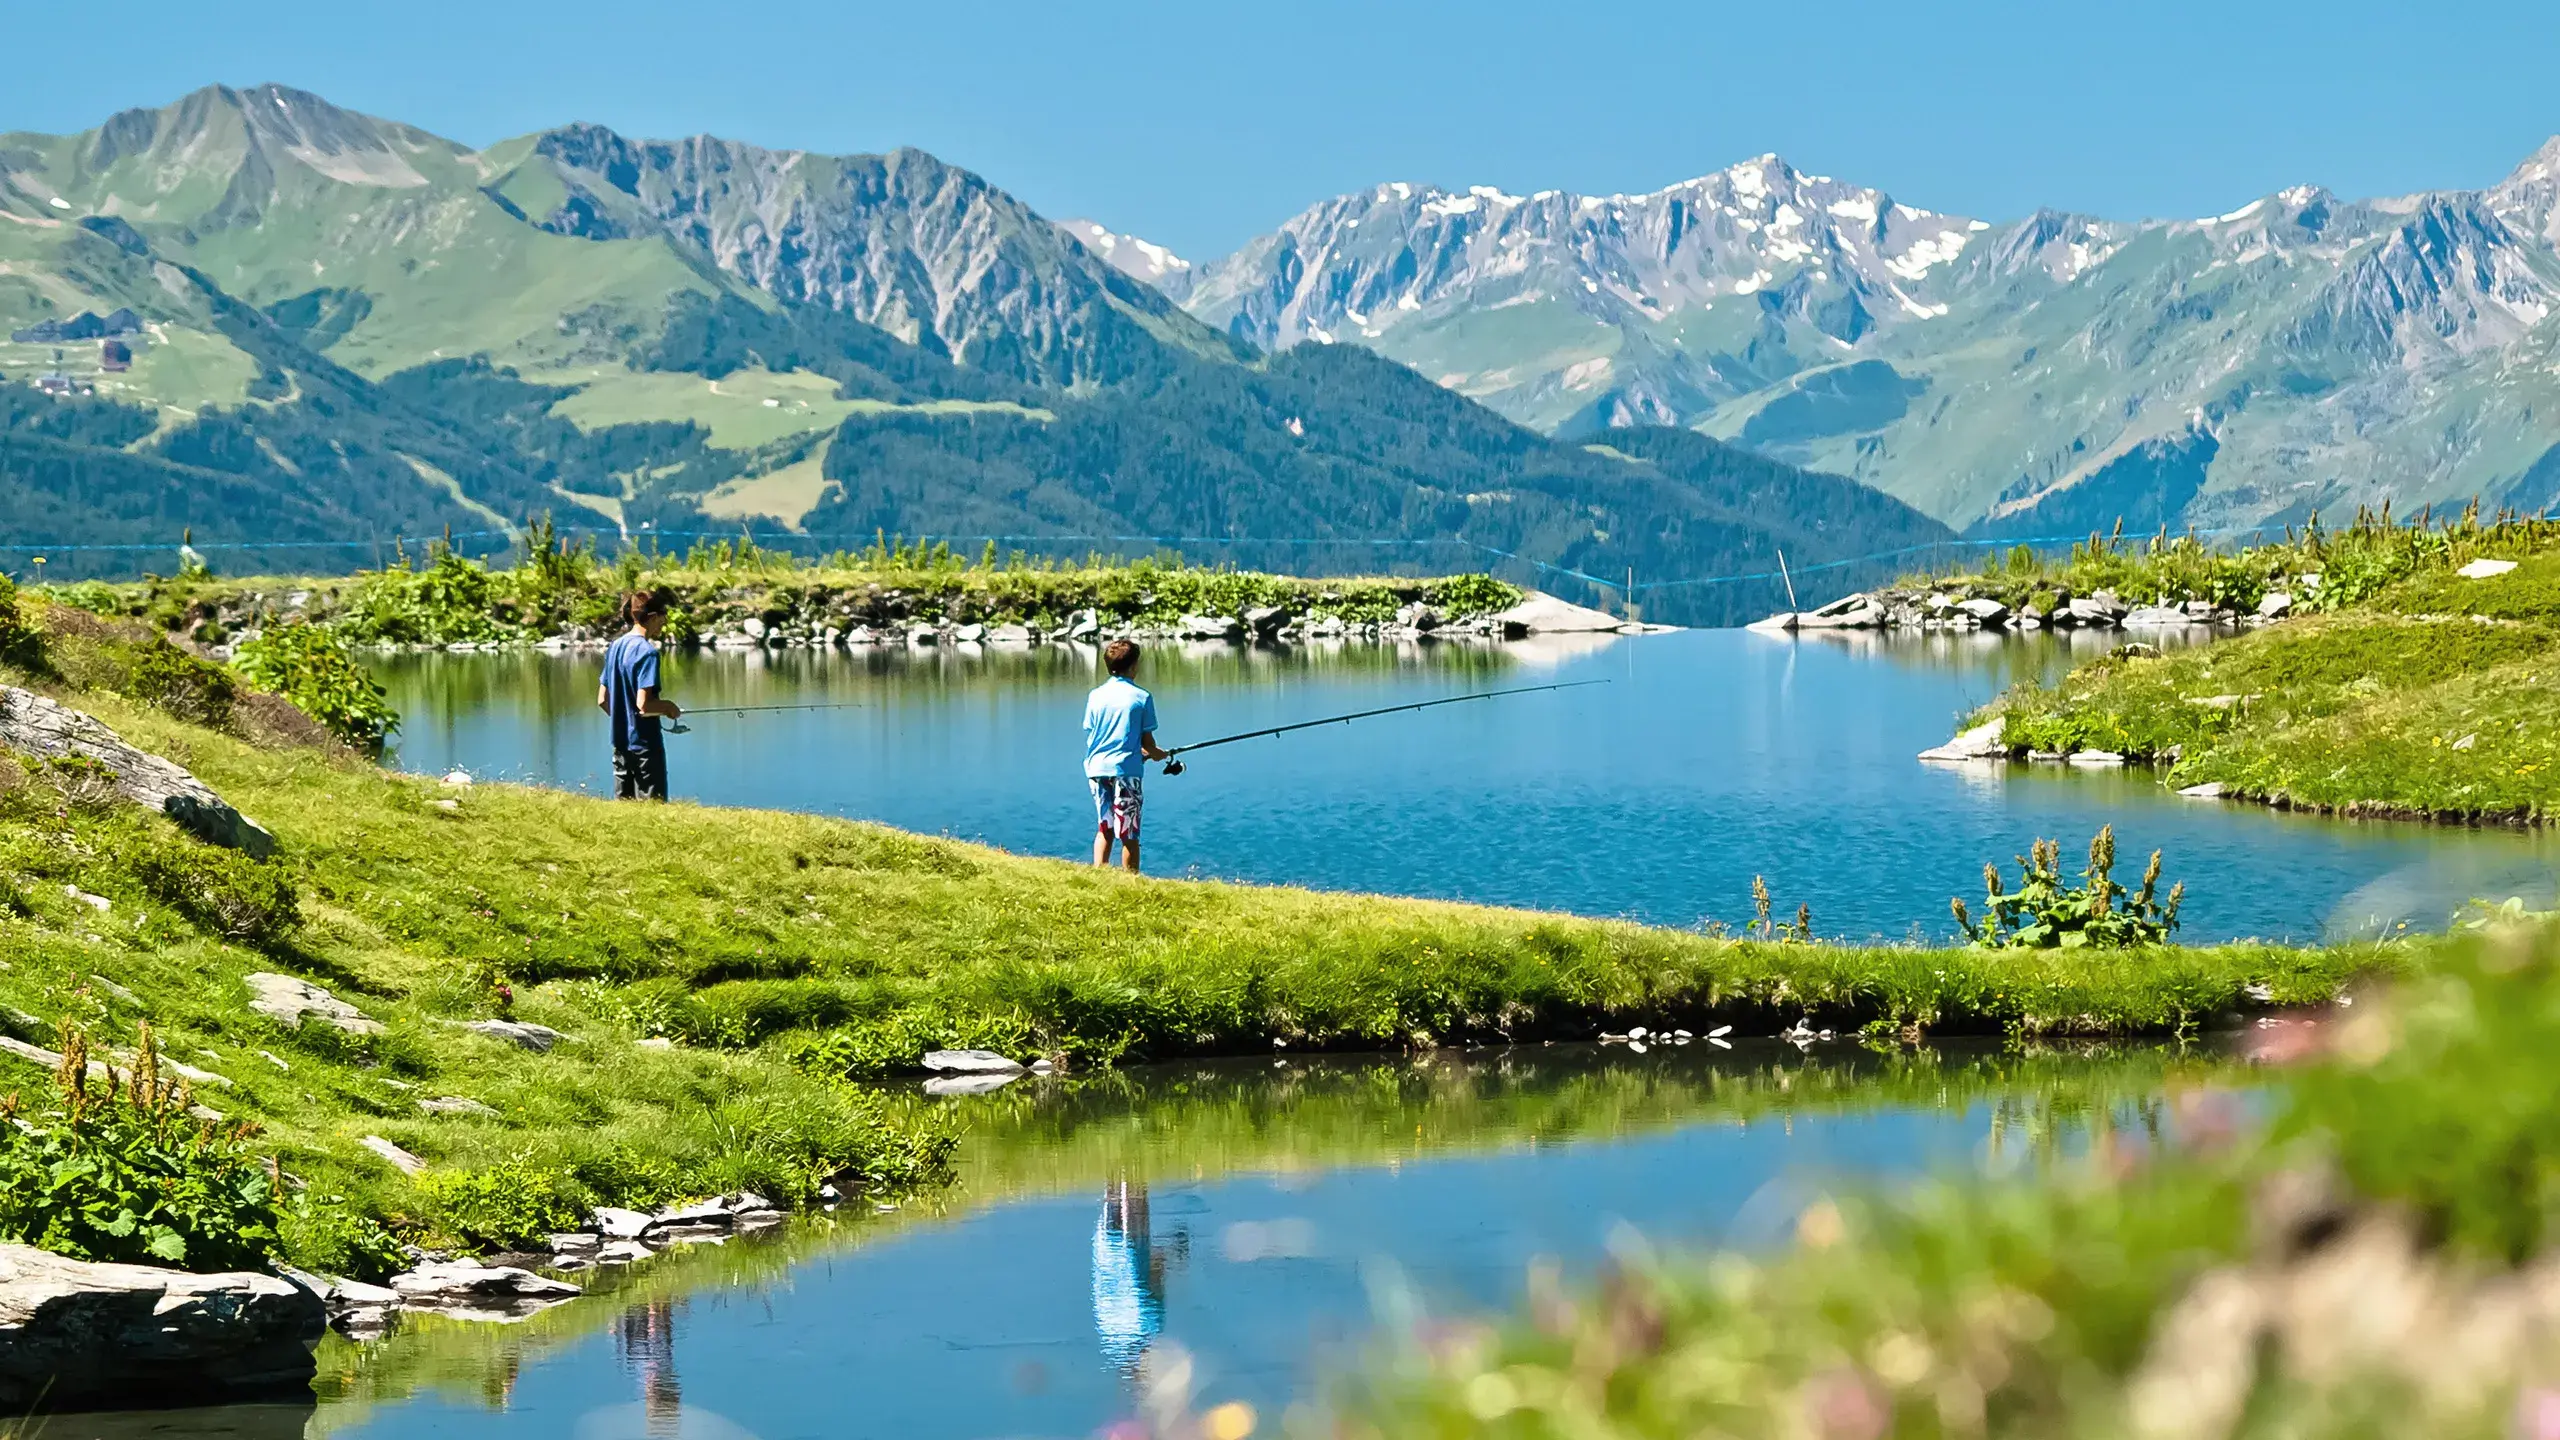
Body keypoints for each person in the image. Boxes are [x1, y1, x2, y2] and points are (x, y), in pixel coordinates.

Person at [1083, 639, 1168, 871]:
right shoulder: (1141, 697)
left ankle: (1099, 873)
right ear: (1133, 666)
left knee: (1105, 827)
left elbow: (1098, 734)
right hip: (1126, 773)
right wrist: (1158, 754)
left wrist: (1138, 751)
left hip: (1097, 769)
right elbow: (1148, 743)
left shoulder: (1095, 696)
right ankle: (1130, 881)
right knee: (1129, 833)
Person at [597, 589, 682, 800]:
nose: (665, 622)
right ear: (653, 617)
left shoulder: (616, 646)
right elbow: (644, 706)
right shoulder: (648, 652)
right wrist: (668, 707)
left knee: (624, 809)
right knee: (652, 808)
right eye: (664, 616)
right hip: (645, 746)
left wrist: (624, 720)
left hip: (620, 743)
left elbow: (602, 700)